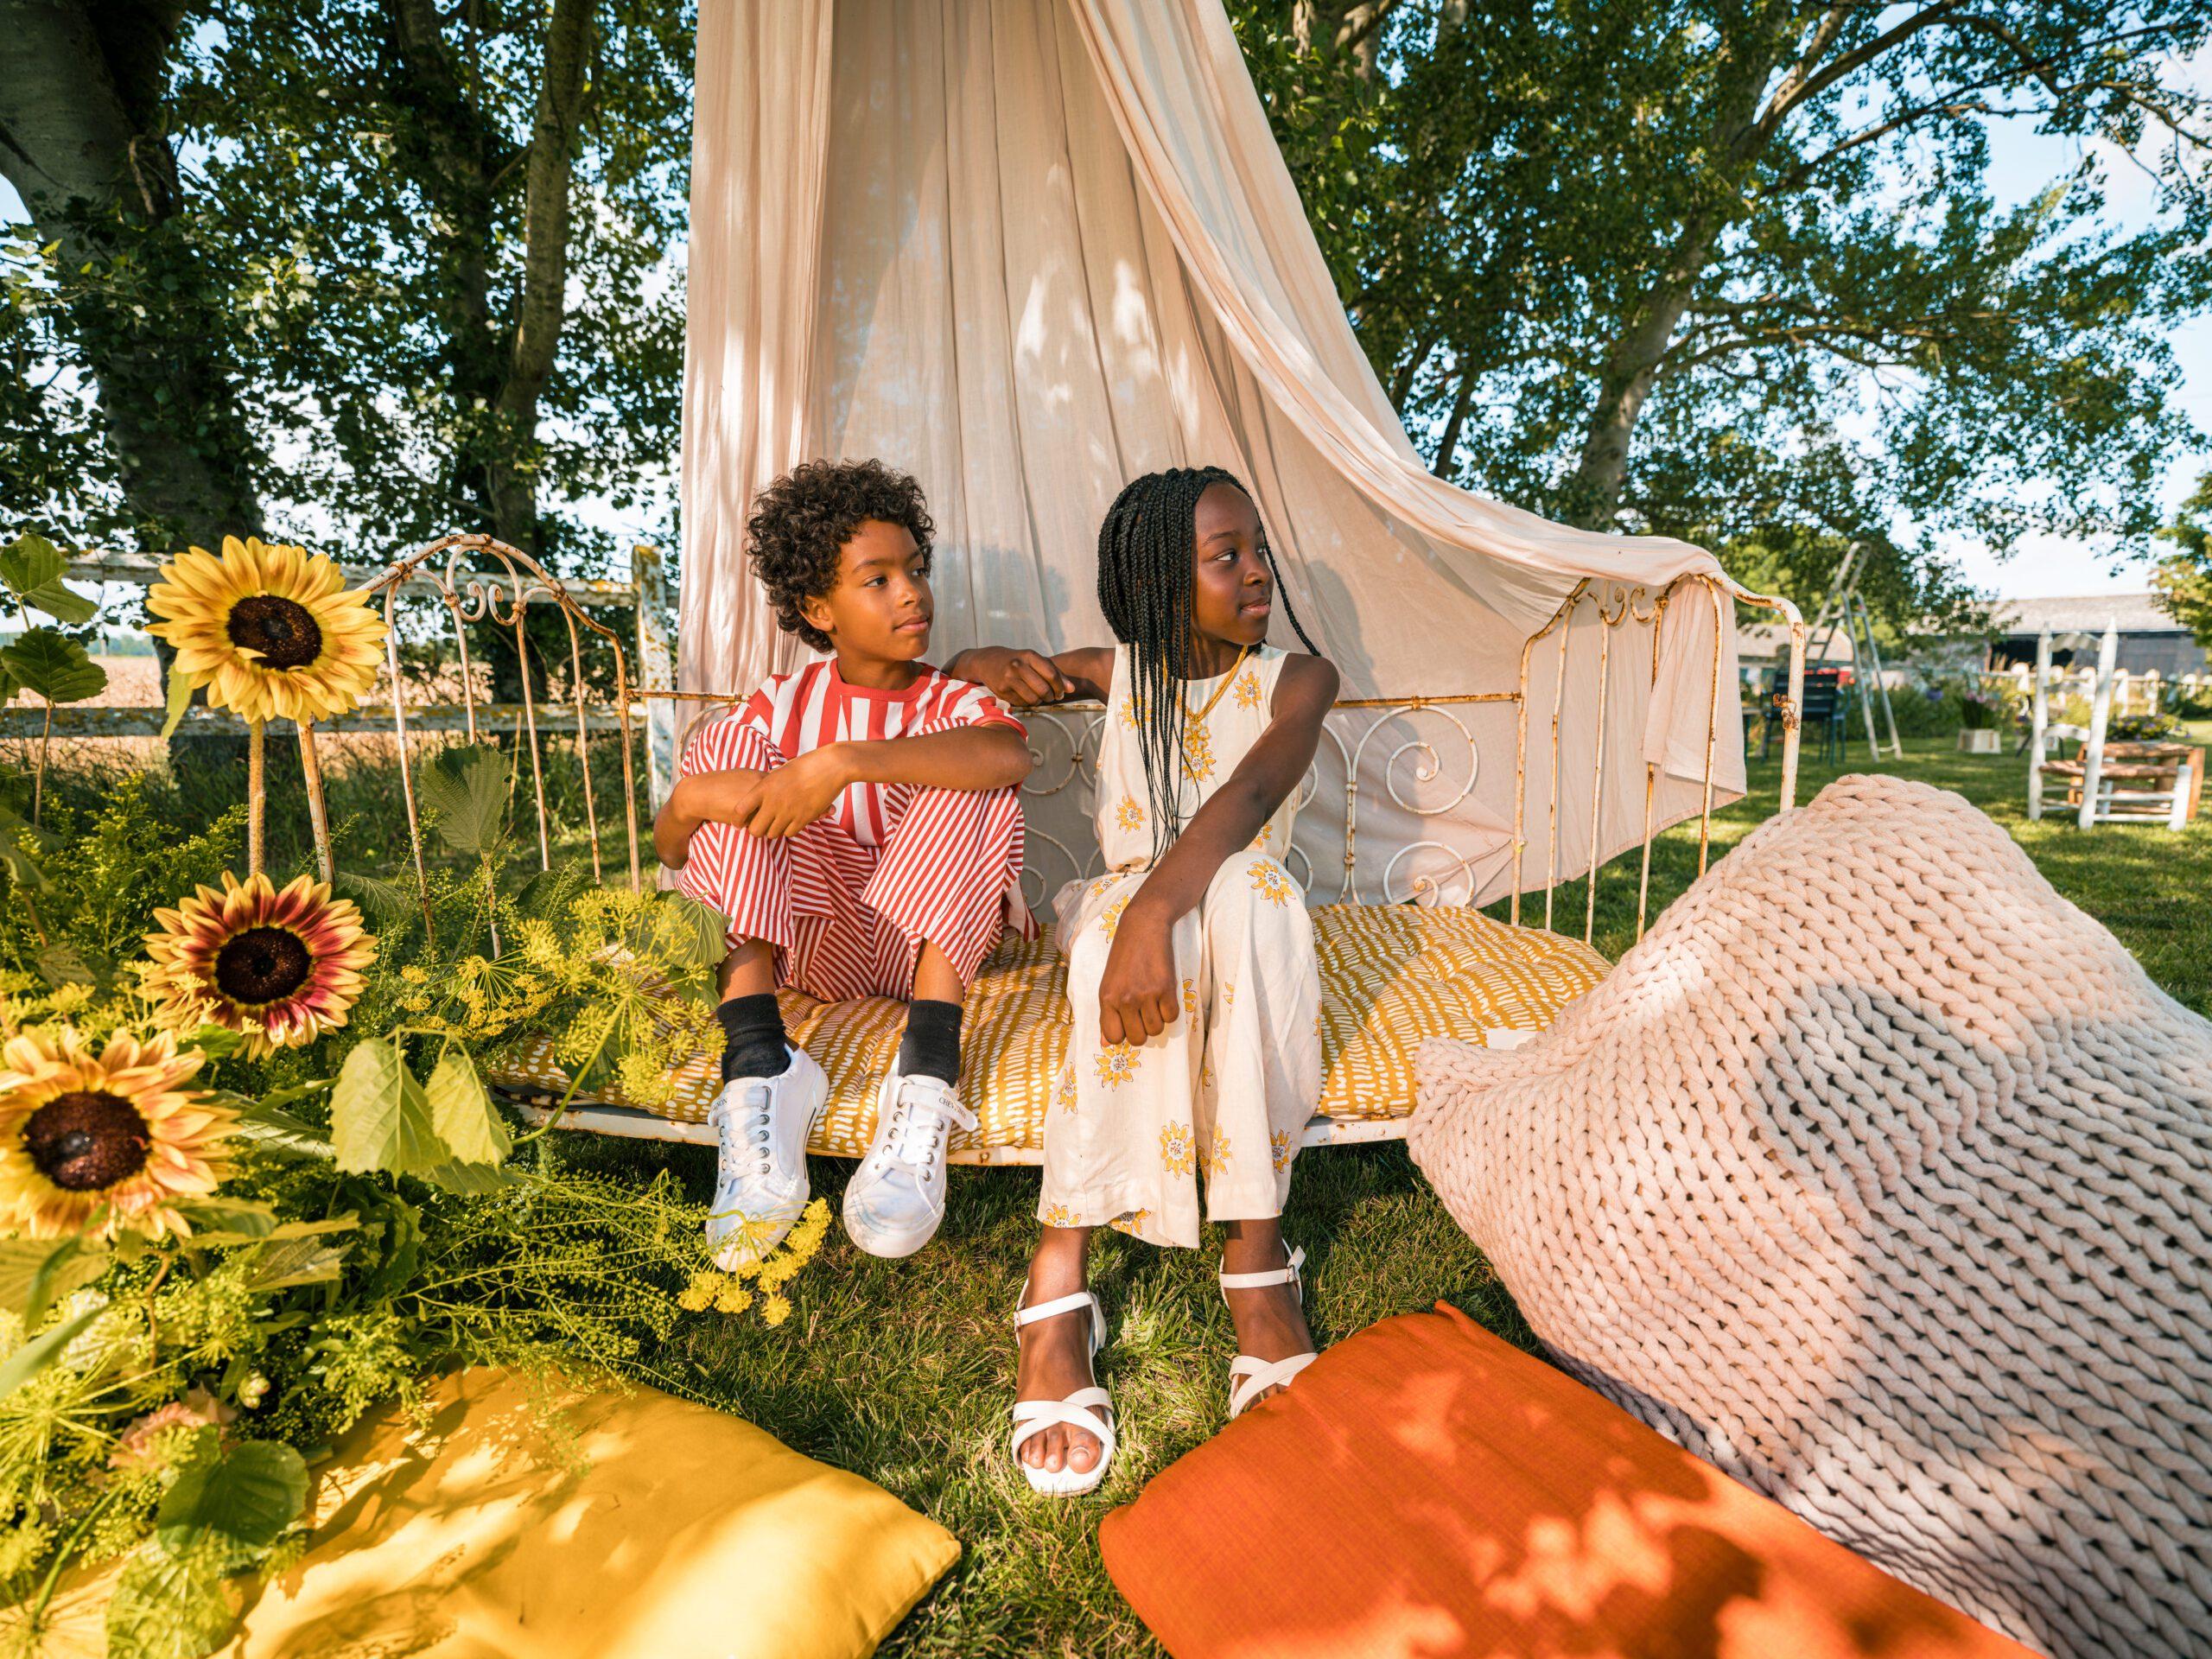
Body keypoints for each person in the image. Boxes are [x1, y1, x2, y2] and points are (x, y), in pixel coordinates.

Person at [949, 466, 1338, 1497]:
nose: (1256, 573)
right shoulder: (1118, 674)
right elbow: (964, 675)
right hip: (1127, 909)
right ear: (1163, 583)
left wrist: (1159, 912)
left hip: (1230, 911)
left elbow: (1250, 793)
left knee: (1248, 891)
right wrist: (987, 662)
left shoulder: (1298, 680)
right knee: (1108, 935)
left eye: (1257, 550)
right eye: (1225, 557)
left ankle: (1256, 1258)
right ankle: (1058, 1278)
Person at [655, 460, 1034, 1268]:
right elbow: (673, 849)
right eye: (878, 580)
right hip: (814, 943)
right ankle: (759, 1065)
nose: (912, 594)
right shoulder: (780, 705)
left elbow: (1009, 758)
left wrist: (845, 761)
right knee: (727, 762)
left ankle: (925, 1078)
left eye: (916, 571)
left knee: (971, 774)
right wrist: (689, 799)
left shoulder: (953, 704)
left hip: (927, 948)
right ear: (818, 610)